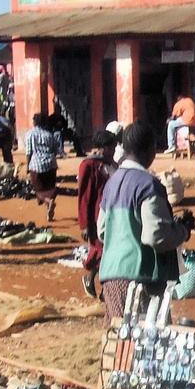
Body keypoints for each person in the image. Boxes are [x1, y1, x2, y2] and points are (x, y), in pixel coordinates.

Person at [97, 121, 190, 320]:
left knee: (121, 344)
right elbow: (156, 236)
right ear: (149, 150)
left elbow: (102, 231)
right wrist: (182, 231)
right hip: (141, 279)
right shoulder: (148, 185)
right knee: (147, 344)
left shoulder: (112, 183)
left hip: (112, 277)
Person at [78, 128, 117, 298]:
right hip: (95, 216)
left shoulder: (112, 165)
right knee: (102, 251)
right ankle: (102, 286)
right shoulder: (88, 166)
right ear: (102, 148)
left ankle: (99, 285)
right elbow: (84, 196)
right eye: (111, 148)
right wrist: (85, 224)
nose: (114, 152)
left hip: (113, 214)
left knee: (109, 251)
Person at [24, 112, 64, 221]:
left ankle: (48, 202)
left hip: (36, 165)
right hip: (51, 164)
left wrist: (27, 166)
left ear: (34, 122)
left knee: (37, 190)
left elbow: (28, 152)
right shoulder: (49, 134)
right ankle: (49, 211)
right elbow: (56, 150)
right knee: (50, 188)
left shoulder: (30, 134)